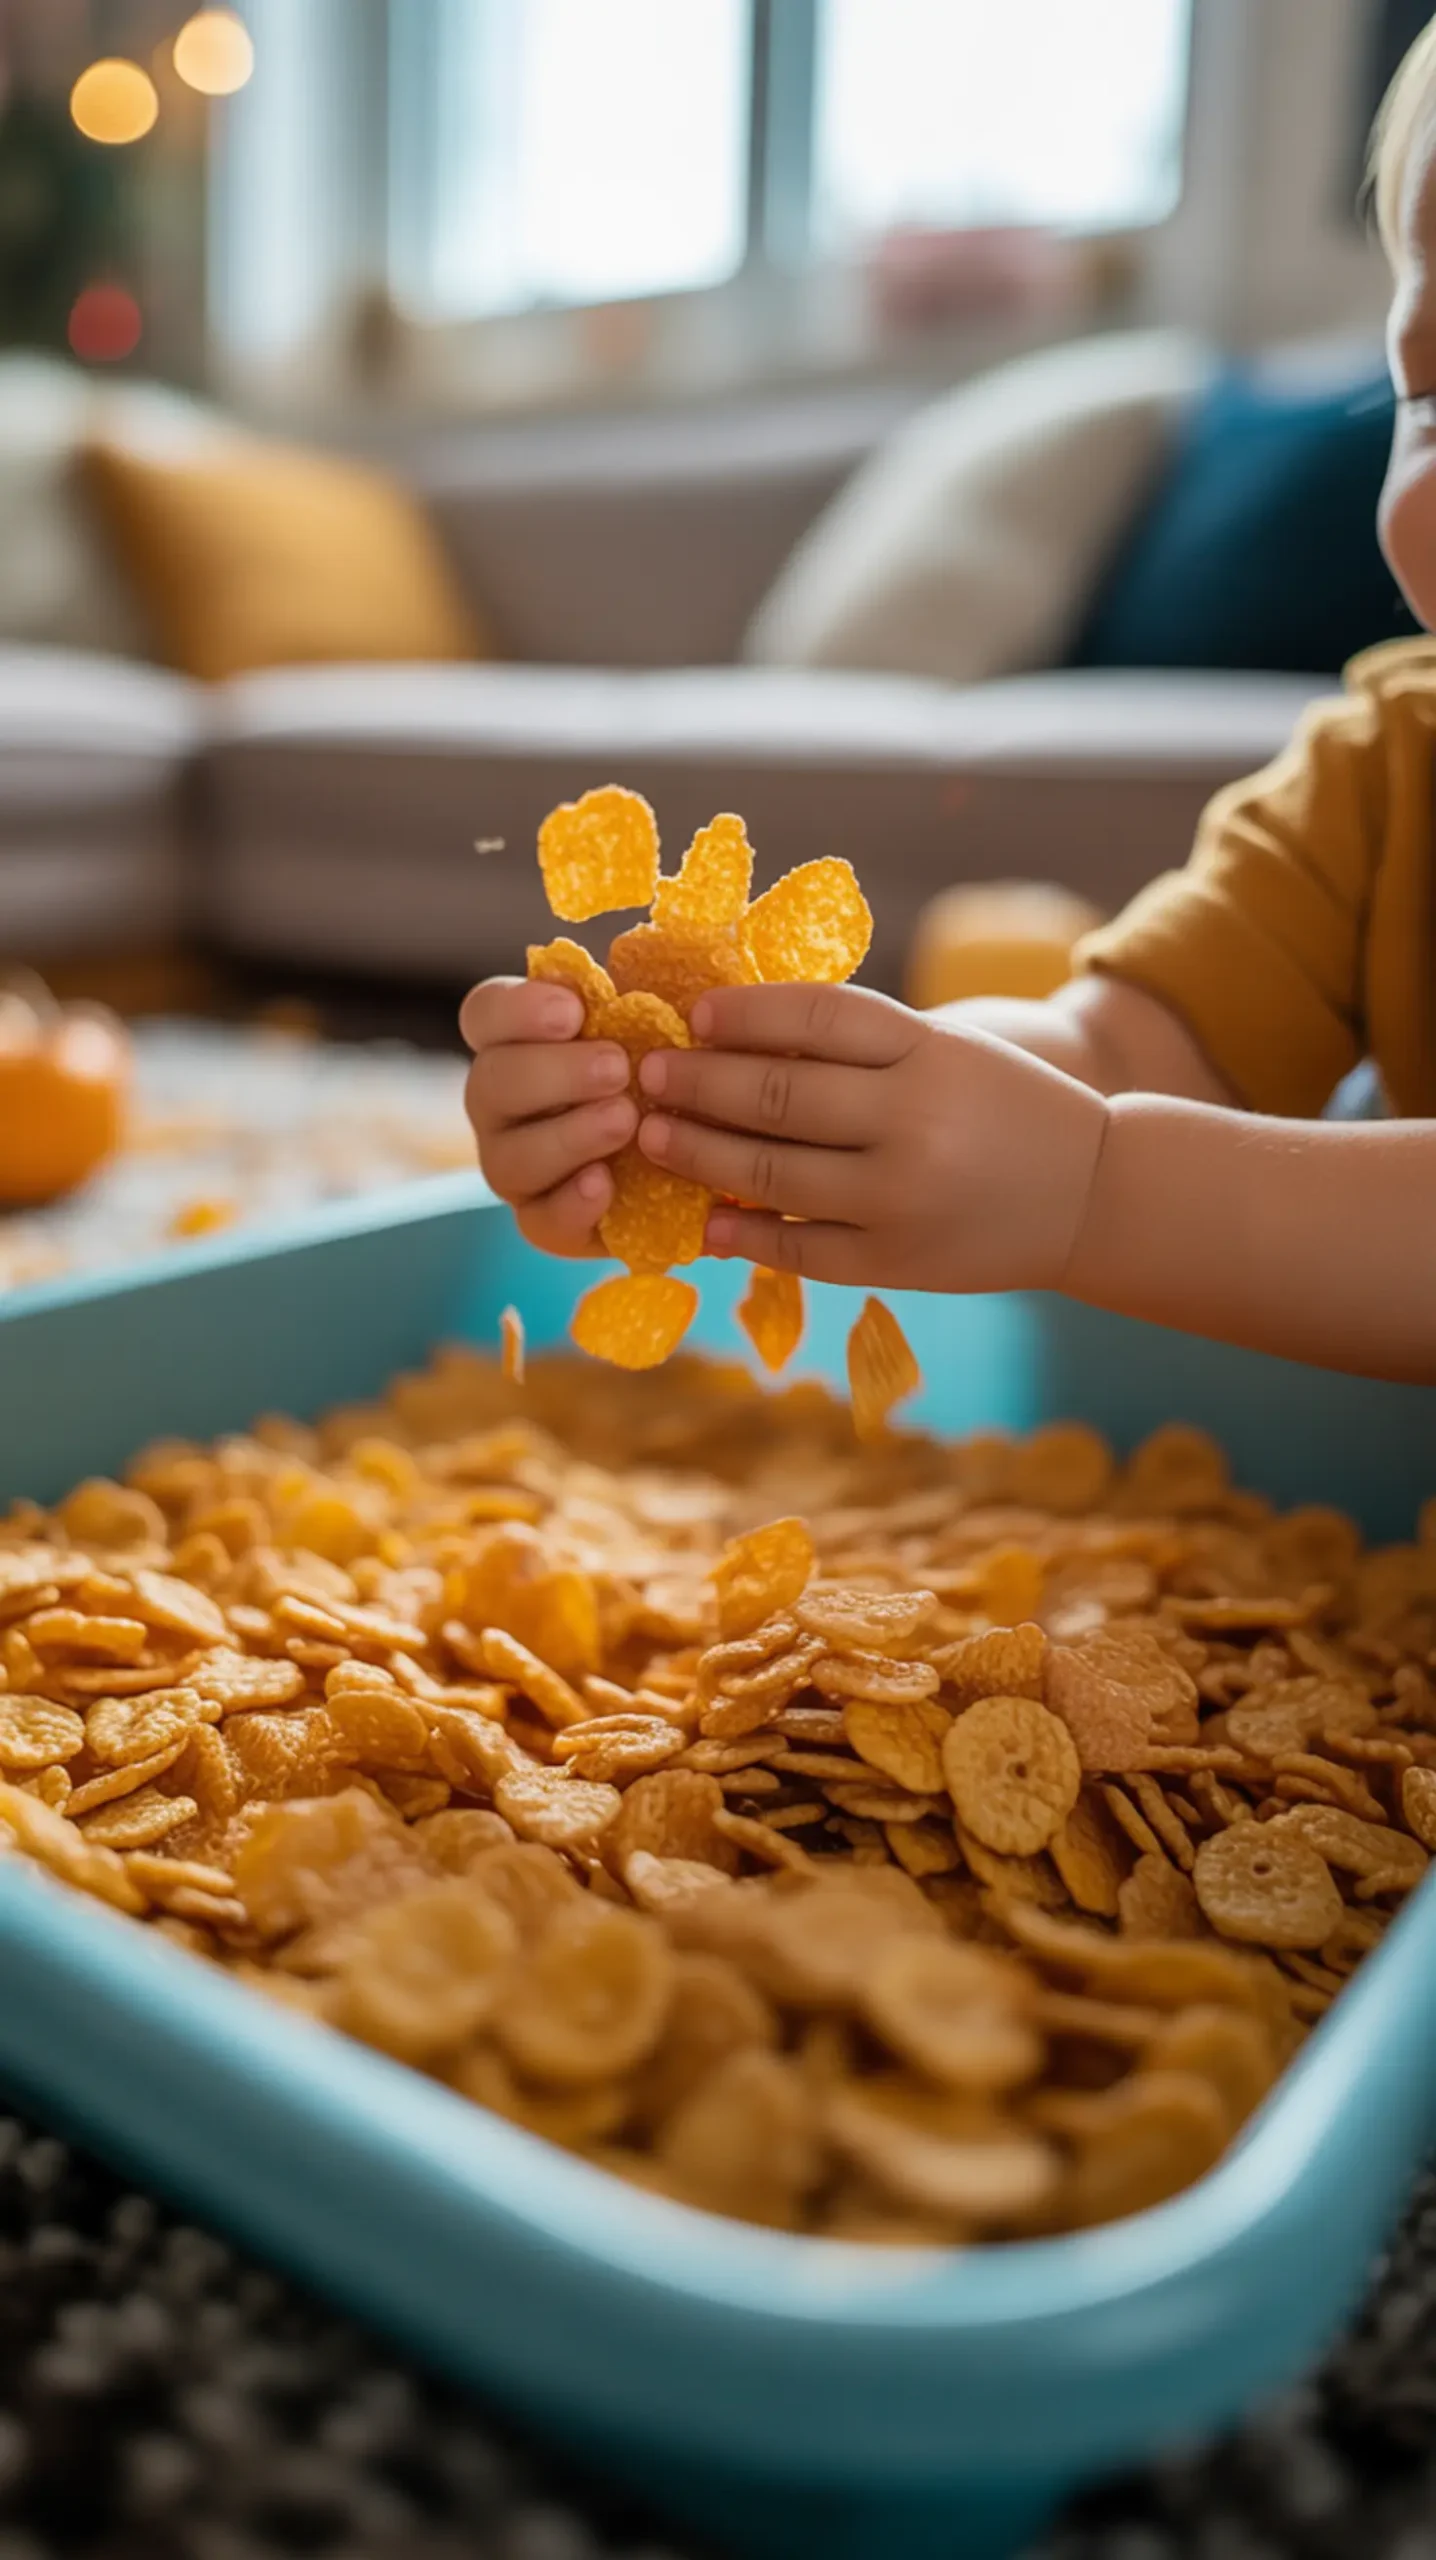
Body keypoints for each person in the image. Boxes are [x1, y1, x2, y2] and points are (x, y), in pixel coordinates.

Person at [463, 26, 1436, 1387]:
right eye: (1433, 392)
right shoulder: (1380, 781)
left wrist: (1102, 1193)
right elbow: (1119, 1049)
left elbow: (1109, 1152)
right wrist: (803, 1108)